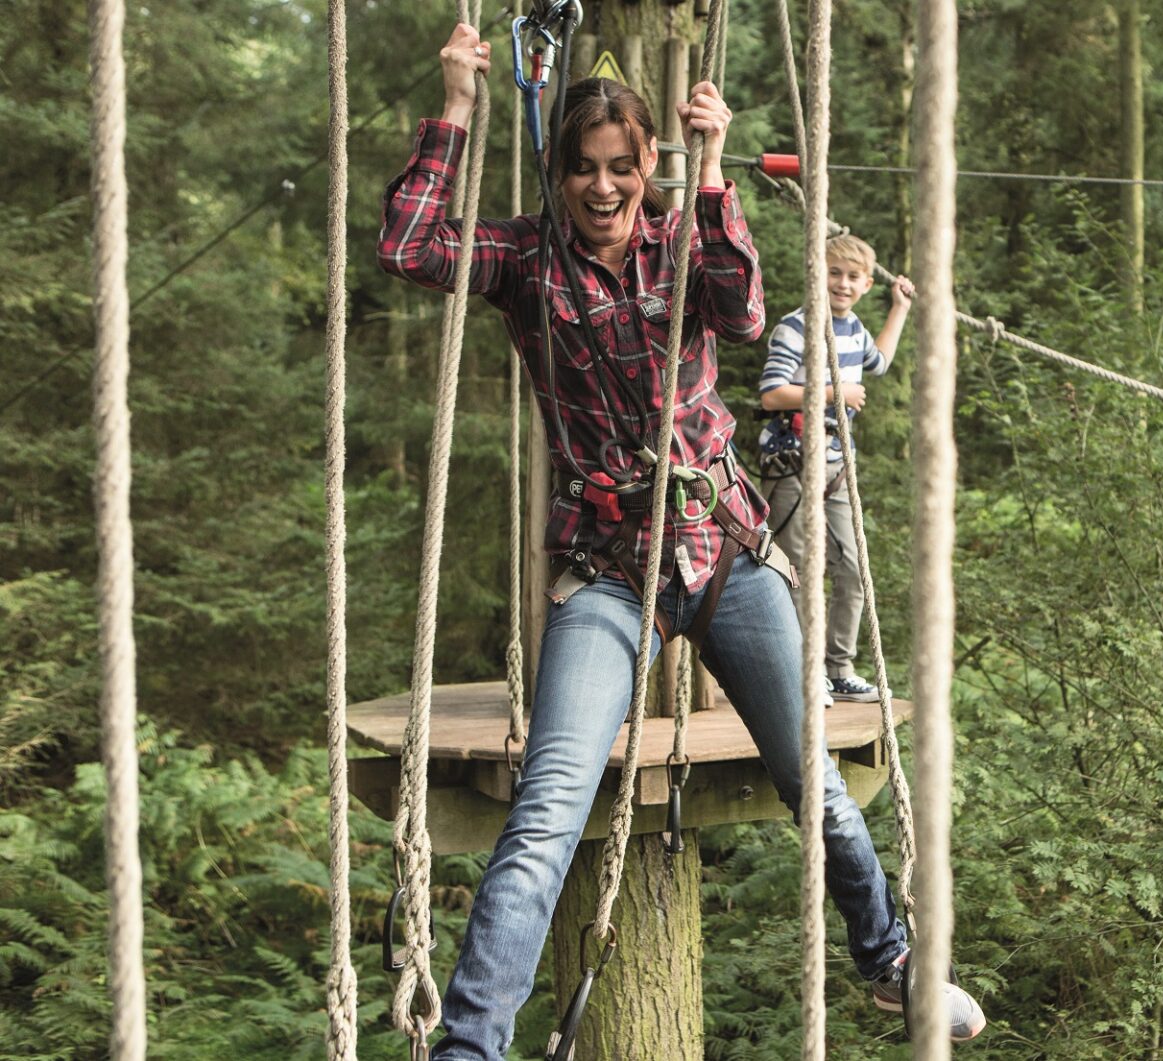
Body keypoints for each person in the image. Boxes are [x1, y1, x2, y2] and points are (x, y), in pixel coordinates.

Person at [377, 23, 986, 1058]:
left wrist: (710, 173)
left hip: (722, 549)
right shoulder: (529, 261)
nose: (604, 188)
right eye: (584, 169)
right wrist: (456, 106)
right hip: (608, 573)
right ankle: (467, 1047)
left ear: (644, 165)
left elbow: (744, 312)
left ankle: (888, 962)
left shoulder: (678, 242)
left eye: (622, 167)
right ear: (562, 173)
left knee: (818, 784)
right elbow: (410, 245)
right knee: (545, 816)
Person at [756, 233, 914, 703]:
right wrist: (833, 392)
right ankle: (804, 668)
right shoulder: (795, 328)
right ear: (816, 274)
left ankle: (838, 665)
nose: (842, 284)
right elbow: (771, 394)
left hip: (837, 464)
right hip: (793, 461)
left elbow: (879, 361)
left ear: (866, 284)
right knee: (801, 566)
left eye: (852, 277)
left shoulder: (854, 329)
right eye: (833, 273)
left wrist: (900, 307)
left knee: (851, 565)